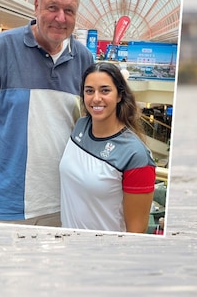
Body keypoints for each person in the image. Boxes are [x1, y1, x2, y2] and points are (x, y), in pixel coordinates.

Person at [0, 0, 94, 226]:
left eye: (69, 10)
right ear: (36, 6)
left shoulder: (84, 59)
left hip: (66, 205)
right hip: (5, 206)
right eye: (52, 7)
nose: (60, 18)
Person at [59, 62, 156, 233]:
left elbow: (136, 232)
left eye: (105, 90)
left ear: (119, 95)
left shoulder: (136, 155)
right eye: (89, 91)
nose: (96, 98)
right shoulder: (81, 126)